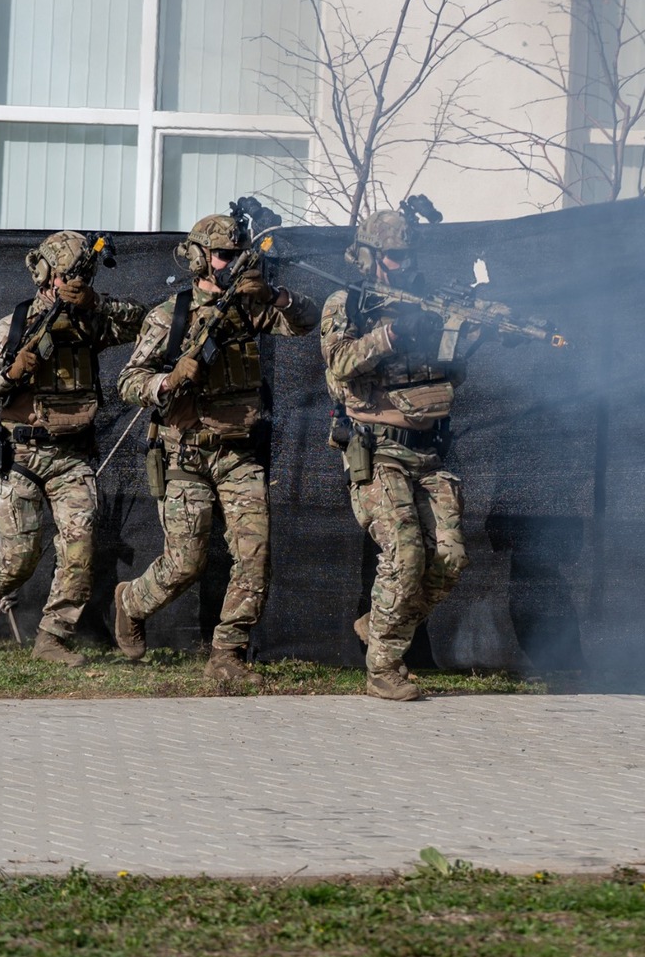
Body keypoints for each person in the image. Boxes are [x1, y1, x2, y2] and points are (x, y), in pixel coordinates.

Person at [112, 211, 317, 686]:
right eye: (223, 255)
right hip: (183, 453)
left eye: (236, 255)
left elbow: (307, 321)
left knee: (254, 553)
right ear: (201, 259)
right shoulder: (170, 315)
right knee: (186, 562)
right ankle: (131, 602)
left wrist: (274, 295)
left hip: (237, 453)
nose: (231, 264)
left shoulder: (250, 307)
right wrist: (167, 380)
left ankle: (228, 653)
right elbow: (128, 381)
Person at [0, 230, 144, 665]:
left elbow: (143, 321)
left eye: (81, 277)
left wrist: (96, 303)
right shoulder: (12, 328)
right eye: (67, 276)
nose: (73, 283)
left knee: (80, 549)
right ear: (46, 276)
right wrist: (10, 374)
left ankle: (52, 635)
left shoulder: (91, 323)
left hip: (72, 456)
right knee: (17, 559)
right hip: (22, 459)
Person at [318, 207, 477, 701]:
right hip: (375, 448)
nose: (400, 264)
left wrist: (461, 337)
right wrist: (392, 333)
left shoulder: (422, 302)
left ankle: (381, 625)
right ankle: (383, 668)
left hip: (426, 451)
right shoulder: (346, 303)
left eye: (406, 255)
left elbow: (449, 379)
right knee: (406, 552)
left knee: (448, 559)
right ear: (368, 255)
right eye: (390, 255)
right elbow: (340, 364)